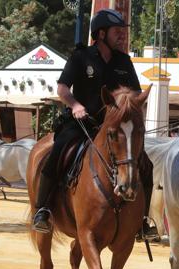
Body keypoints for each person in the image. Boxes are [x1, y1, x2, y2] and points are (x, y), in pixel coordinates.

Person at [32, 8, 158, 240]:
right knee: (57, 152)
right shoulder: (81, 57)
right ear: (101, 34)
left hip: (114, 128)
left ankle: (142, 220)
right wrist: (75, 105)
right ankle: (43, 209)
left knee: (145, 164)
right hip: (82, 123)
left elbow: (135, 94)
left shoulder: (124, 61)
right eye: (117, 31)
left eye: (123, 31)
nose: (122, 35)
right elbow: (62, 89)